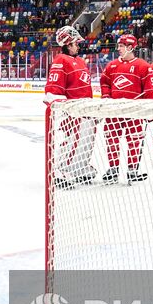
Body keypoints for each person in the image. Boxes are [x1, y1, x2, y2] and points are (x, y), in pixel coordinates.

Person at [98, 34, 152, 183]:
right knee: (111, 138)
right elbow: (105, 83)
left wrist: (147, 107)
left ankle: (132, 170)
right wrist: (106, 97)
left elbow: (149, 89)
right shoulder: (112, 65)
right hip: (114, 110)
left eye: (121, 46)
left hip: (134, 110)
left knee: (134, 140)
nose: (118, 49)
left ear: (130, 47)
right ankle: (113, 169)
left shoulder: (143, 66)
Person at [46, 25, 94, 188]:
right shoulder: (61, 60)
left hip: (84, 108)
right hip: (71, 109)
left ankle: (79, 167)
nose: (78, 46)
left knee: (87, 139)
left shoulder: (80, 61)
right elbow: (53, 88)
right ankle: (59, 169)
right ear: (67, 44)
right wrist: (62, 107)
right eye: (75, 43)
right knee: (72, 139)